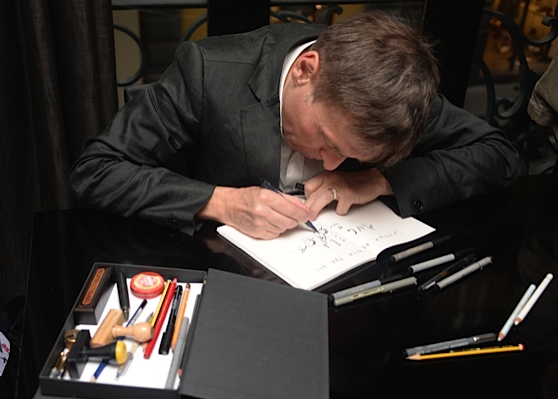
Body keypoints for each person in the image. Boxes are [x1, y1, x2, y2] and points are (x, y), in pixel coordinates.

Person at [70, 11, 520, 240]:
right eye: (327, 139)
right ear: (306, 70)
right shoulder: (207, 72)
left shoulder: (395, 94)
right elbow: (96, 170)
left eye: (352, 156)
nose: (332, 163)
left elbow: (499, 155)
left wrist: (378, 179)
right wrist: (219, 202)